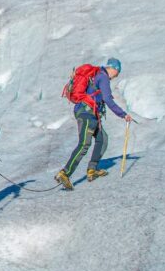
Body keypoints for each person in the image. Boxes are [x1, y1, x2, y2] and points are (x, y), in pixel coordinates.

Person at [55, 57, 132, 190]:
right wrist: (123, 114)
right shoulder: (103, 77)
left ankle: (92, 169)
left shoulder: (97, 75)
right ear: (114, 69)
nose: (116, 76)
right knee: (85, 143)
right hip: (87, 114)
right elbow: (108, 99)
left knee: (102, 139)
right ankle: (65, 173)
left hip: (90, 114)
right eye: (117, 73)